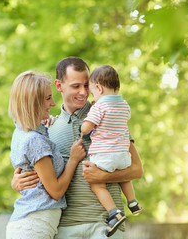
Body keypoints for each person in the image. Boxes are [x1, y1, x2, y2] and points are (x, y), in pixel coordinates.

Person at [11, 57, 144, 239]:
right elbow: (42, 175)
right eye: (75, 86)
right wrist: (17, 183)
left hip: (106, 224)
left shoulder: (110, 117)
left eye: (86, 85)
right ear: (59, 86)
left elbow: (137, 170)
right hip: (65, 227)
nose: (83, 92)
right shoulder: (48, 129)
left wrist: (105, 176)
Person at [6, 71, 86, 239]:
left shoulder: (22, 131)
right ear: (33, 102)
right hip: (34, 226)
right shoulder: (35, 141)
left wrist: (47, 124)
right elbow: (55, 191)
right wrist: (73, 160)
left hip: (31, 223)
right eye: (48, 98)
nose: (53, 103)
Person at [80, 65, 143, 237]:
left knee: (97, 184)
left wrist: (87, 121)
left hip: (104, 156)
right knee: (124, 177)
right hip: (123, 154)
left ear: (99, 88)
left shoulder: (98, 107)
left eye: (93, 93)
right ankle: (133, 202)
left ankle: (114, 213)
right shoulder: (125, 105)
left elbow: (86, 129)